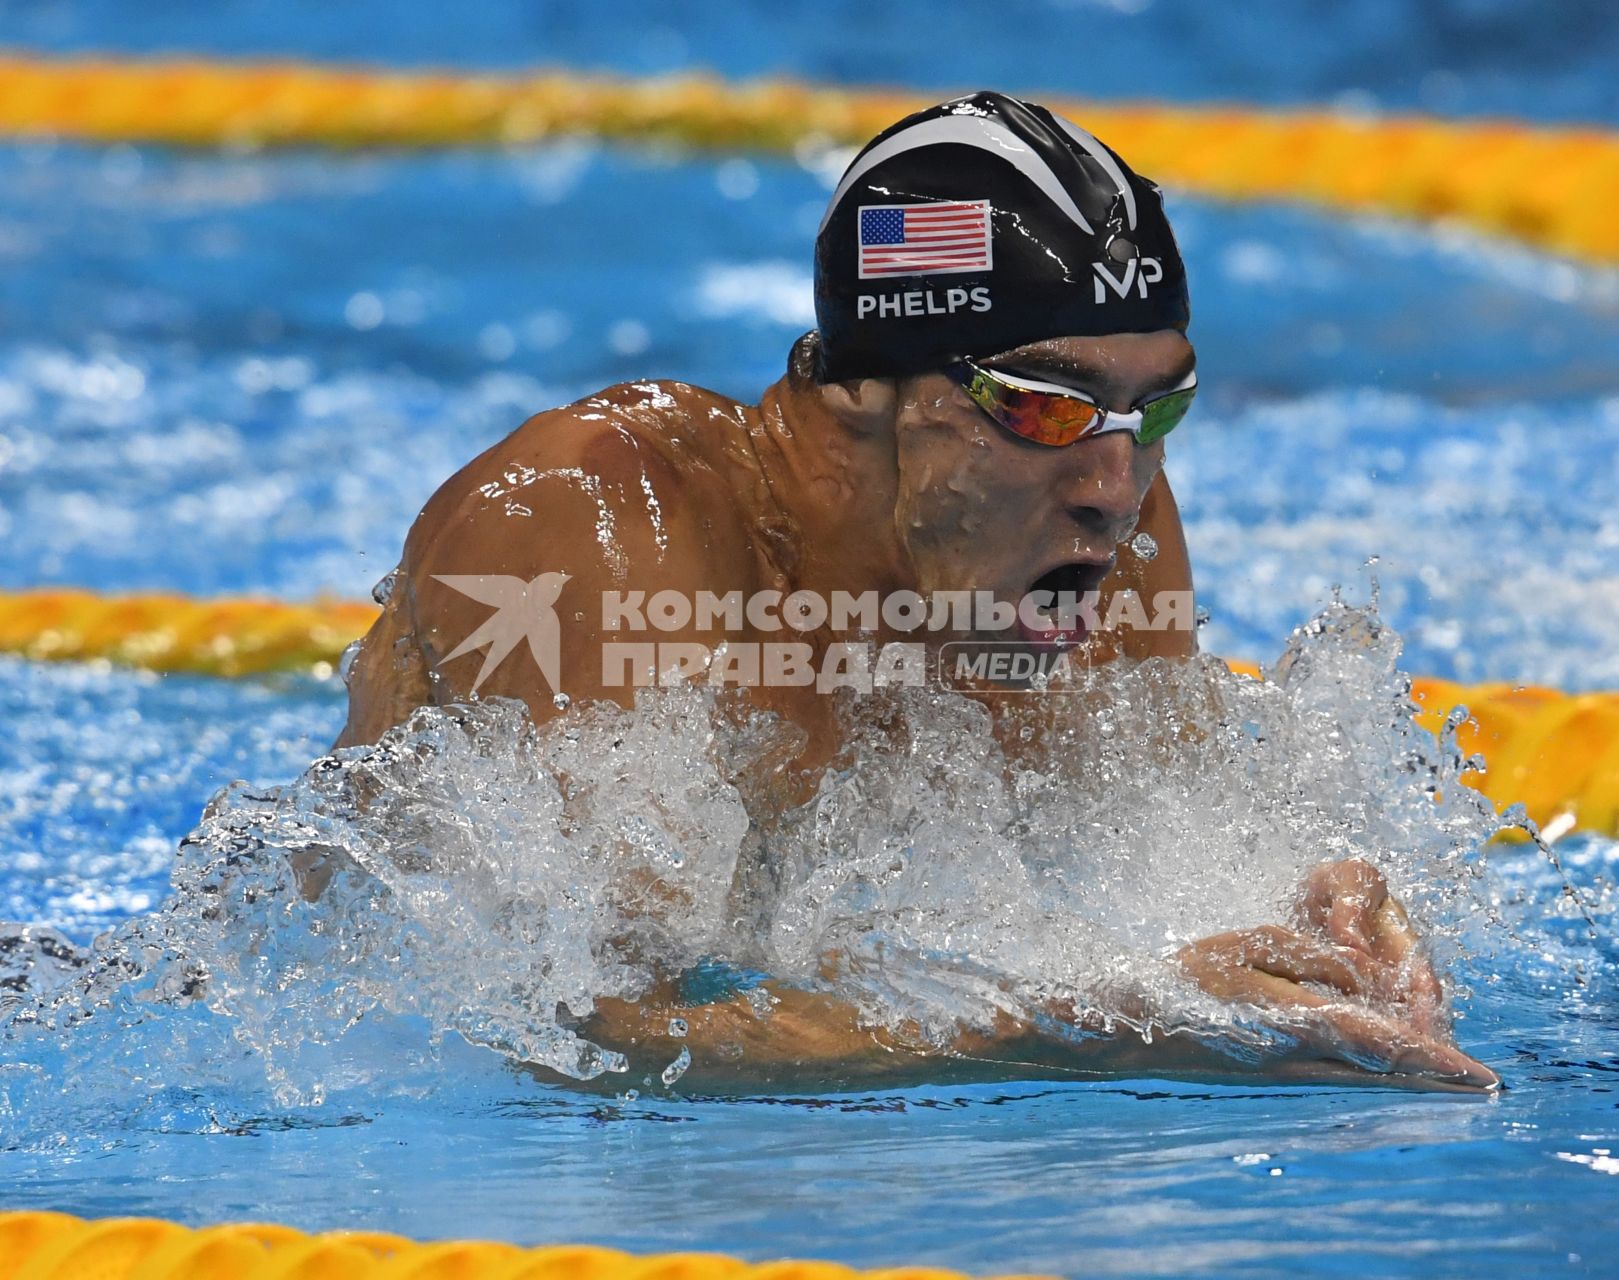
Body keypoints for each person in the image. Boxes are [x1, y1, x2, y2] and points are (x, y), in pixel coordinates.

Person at [336, 92, 1497, 1093]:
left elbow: (1158, 841)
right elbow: (599, 1022)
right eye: (1044, 404)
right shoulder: (597, 517)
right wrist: (1092, 1024)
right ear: (858, 394)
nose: (1115, 484)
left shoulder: (1073, 519)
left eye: (1155, 410)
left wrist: (1304, 915)